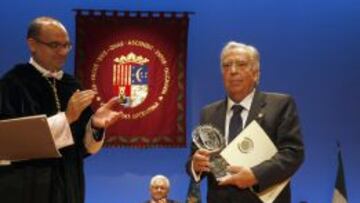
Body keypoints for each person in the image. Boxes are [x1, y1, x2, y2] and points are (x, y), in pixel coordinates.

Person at [0, 16, 121, 203]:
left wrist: (95, 125)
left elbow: (82, 149)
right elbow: (8, 143)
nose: (63, 52)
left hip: (70, 186)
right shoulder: (12, 84)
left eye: (66, 45)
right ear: (32, 44)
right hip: (27, 186)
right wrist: (66, 118)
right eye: (55, 45)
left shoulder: (72, 85)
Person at [186, 41, 304, 203]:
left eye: (241, 64)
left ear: (256, 74)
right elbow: (197, 158)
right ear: (222, 75)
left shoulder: (280, 105)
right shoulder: (208, 113)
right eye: (226, 66)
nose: (233, 71)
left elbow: (293, 153)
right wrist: (195, 165)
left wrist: (256, 175)